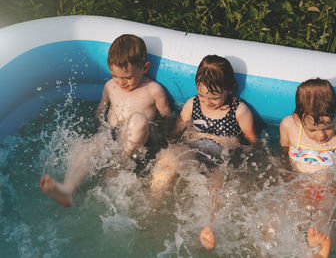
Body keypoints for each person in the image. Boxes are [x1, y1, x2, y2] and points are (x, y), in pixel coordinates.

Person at [40, 34, 171, 207]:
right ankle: (68, 189)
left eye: (128, 77)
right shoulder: (110, 86)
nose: (121, 82)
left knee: (138, 120)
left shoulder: (154, 91)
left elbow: (168, 118)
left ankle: (118, 165)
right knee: (94, 142)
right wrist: (91, 129)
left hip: (136, 146)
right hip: (111, 136)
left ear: (145, 67)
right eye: (116, 75)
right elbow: (100, 112)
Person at [149, 55, 257, 250]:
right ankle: (152, 204)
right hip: (193, 149)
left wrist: (241, 159)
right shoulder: (193, 104)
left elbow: (251, 143)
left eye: (214, 97)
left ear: (230, 89)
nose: (207, 102)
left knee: (215, 186)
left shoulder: (239, 111)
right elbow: (177, 130)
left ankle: (207, 228)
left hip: (221, 158)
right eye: (203, 95)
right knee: (169, 158)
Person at [279, 78, 336, 257]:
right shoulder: (289, 126)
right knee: (284, 217)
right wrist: (284, 176)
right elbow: (283, 153)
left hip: (329, 188)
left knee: (323, 217)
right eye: (313, 130)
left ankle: (321, 250)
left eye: (327, 126)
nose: (321, 135)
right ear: (297, 117)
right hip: (298, 184)